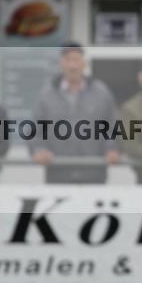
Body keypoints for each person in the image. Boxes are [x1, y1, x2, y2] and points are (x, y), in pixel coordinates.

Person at [30, 42, 120, 184]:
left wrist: (112, 148)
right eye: (68, 60)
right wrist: (39, 149)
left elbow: (113, 125)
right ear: (61, 64)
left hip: (94, 174)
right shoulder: (46, 95)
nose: (73, 66)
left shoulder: (101, 93)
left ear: (84, 63)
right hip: (58, 173)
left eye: (76, 60)